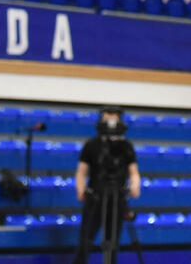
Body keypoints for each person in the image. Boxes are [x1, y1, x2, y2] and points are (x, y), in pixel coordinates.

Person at [73, 107, 140, 264]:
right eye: (106, 119)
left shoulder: (126, 146)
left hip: (117, 201)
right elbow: (81, 171)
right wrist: (80, 189)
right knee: (85, 243)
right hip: (95, 198)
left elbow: (133, 171)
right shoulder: (91, 145)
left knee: (112, 245)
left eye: (113, 119)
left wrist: (135, 185)